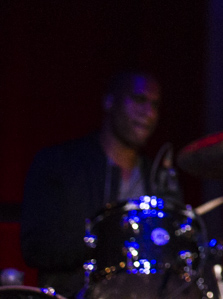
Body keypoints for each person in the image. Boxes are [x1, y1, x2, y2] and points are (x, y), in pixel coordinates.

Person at [20, 71, 177, 297]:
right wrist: (109, 241)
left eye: (155, 105)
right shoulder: (59, 164)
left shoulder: (159, 179)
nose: (149, 113)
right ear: (109, 101)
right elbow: (37, 248)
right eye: (139, 100)